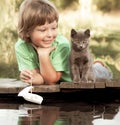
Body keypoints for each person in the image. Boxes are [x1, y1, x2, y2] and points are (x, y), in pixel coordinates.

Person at [15, 0, 72, 85]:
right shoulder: (22, 46)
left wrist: (43, 55)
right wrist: (30, 77)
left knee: (96, 72)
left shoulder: (62, 45)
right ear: (27, 32)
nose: (50, 35)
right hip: (55, 88)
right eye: (43, 30)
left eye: (54, 28)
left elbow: (51, 80)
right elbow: (41, 79)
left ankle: (98, 67)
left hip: (75, 82)